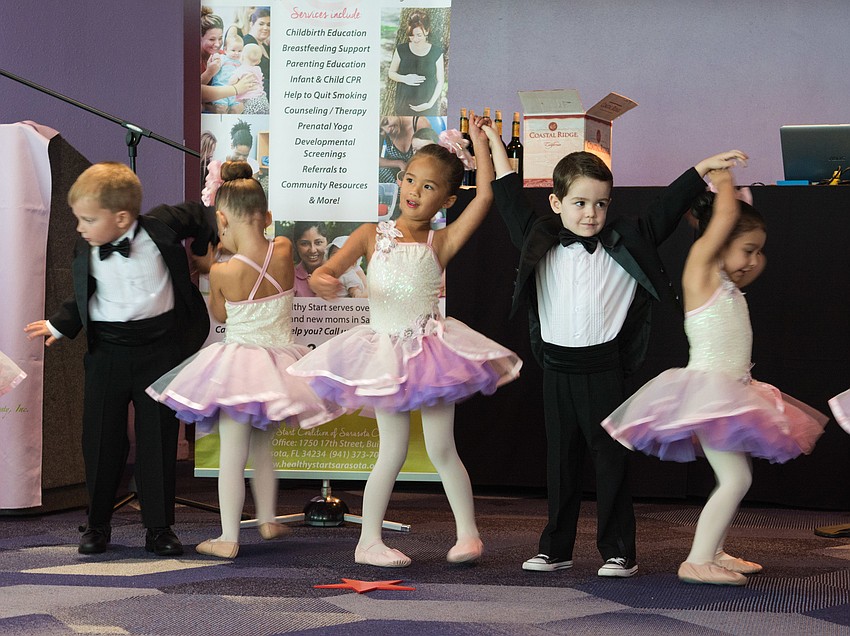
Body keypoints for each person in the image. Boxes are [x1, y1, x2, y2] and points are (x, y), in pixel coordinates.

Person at [490, 140, 749, 578]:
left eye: (600, 203)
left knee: (609, 460)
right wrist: (494, 146)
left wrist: (702, 167)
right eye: (579, 203)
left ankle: (619, 551)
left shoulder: (626, 240)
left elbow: (667, 208)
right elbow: (509, 197)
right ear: (555, 203)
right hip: (556, 367)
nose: (590, 214)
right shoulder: (537, 237)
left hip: (604, 368)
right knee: (560, 461)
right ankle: (555, 548)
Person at [289, 115, 522, 568]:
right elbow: (327, 271)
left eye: (429, 187)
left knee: (441, 448)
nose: (414, 190)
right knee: (391, 451)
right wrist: (322, 280)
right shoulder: (370, 235)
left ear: (448, 199)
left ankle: (469, 536)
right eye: (410, 179)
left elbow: (486, 196)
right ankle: (368, 542)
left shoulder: (442, 240)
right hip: (385, 355)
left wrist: (482, 141)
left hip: (431, 354)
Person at [603, 169, 826, 585]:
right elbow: (723, 221)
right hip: (709, 393)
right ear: (718, 241)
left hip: (733, 393)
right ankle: (697, 560)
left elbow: (744, 256)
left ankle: (716, 551)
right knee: (737, 478)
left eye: (759, 251)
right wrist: (723, 181)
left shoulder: (728, 284)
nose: (754, 261)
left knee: (738, 476)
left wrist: (744, 242)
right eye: (747, 250)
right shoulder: (701, 273)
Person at [147, 162, 343, 558]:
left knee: (232, 455)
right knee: (264, 448)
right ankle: (268, 518)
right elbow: (265, 261)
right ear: (266, 216)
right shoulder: (283, 248)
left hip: (239, 367)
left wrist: (212, 266)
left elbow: (220, 315)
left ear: (221, 219)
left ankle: (228, 537)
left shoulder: (224, 271)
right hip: (280, 363)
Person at [24, 162, 216, 556]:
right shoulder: (88, 244)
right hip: (107, 352)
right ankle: (97, 524)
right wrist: (59, 324)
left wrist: (202, 250)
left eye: (88, 219)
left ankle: (159, 528)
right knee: (100, 438)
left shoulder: (162, 227)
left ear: (122, 218)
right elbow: (83, 291)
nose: (80, 227)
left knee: (158, 438)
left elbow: (201, 214)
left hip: (159, 350)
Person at [387, 10, 445, 116]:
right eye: (411, 35)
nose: (415, 39)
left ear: (427, 31)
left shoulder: (436, 52)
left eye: (419, 35)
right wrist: (405, 79)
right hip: (403, 107)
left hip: (427, 108)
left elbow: (440, 81)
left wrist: (429, 104)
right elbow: (391, 73)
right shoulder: (401, 49)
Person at [379, 116, 431, 183]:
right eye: (380, 130)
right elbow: (373, 159)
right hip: (393, 170)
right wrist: (399, 163)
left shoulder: (420, 123)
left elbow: (429, 160)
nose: (387, 131)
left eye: (385, 122)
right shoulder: (383, 132)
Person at [209, 32, 244, 114]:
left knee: (237, 109)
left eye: (240, 51)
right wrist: (215, 57)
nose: (236, 53)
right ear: (225, 50)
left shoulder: (241, 63)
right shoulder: (222, 58)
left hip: (235, 92)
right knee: (220, 108)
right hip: (221, 90)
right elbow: (214, 64)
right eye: (233, 50)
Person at [229, 43, 268, 114]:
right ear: (259, 61)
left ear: (242, 57)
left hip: (250, 101)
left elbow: (232, 81)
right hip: (262, 99)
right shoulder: (258, 69)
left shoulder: (241, 69)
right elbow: (261, 78)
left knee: (249, 118)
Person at [292, 221, 329, 297]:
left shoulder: (342, 273)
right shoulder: (290, 278)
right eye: (304, 244)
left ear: (327, 242)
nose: (312, 250)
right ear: (296, 246)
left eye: (318, 242)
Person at [241, 7, 270, 98]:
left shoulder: (265, 45)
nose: (265, 28)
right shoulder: (248, 43)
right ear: (251, 24)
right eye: (261, 24)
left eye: (269, 25)